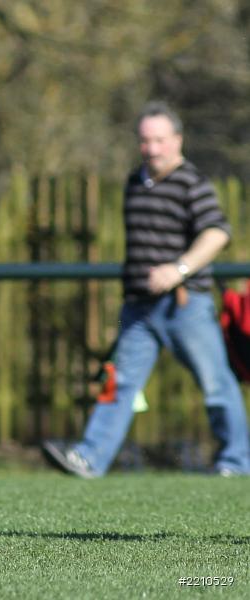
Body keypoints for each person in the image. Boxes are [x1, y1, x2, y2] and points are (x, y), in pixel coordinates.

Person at [42, 101, 250, 478]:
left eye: (159, 140)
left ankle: (237, 461)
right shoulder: (135, 181)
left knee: (216, 383)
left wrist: (179, 269)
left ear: (177, 140)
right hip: (139, 307)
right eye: (145, 141)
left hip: (184, 306)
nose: (152, 148)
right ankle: (90, 458)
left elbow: (218, 232)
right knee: (117, 384)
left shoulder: (193, 182)